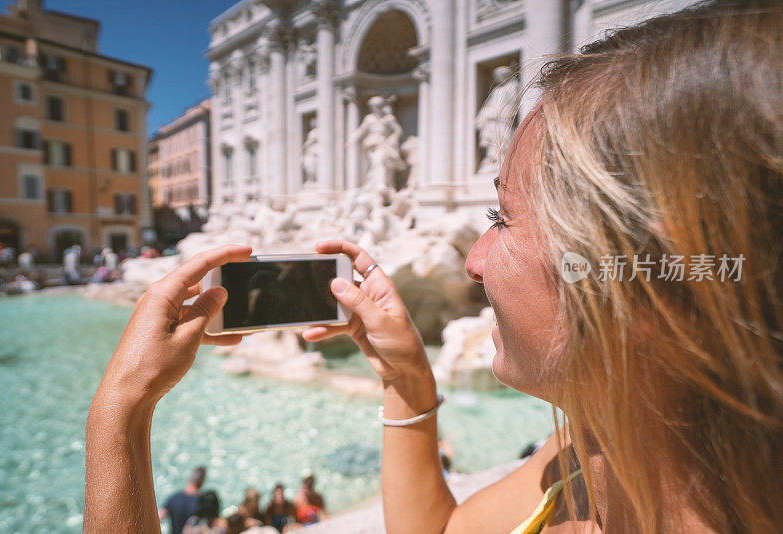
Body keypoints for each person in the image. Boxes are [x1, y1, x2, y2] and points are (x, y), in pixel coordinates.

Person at [83, 1, 782, 532]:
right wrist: (408, 379)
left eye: (501, 218)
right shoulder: (597, 449)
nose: (473, 263)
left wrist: (119, 417)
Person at [158, 466, 207, 534]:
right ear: (202, 481)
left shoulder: (174, 498)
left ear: (189, 478)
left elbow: (158, 518)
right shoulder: (204, 501)